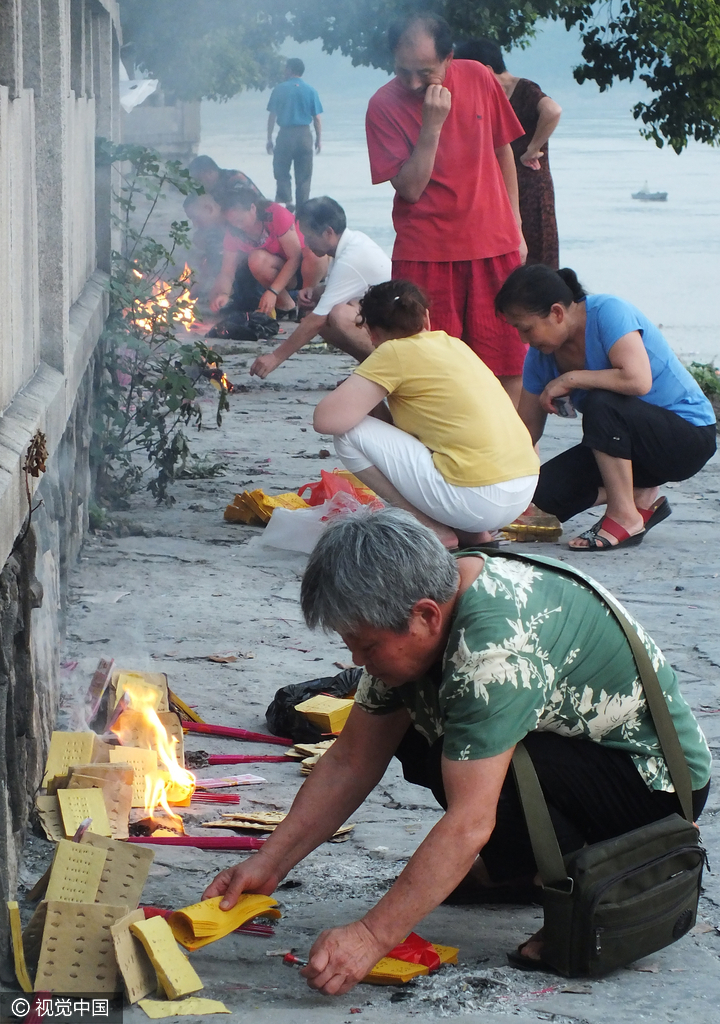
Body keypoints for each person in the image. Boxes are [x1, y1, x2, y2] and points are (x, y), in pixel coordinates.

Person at [203, 507, 711, 990]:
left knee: (464, 750)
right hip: (572, 756)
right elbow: (351, 761)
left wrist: (371, 937)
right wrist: (269, 863)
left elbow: (471, 819)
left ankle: (581, 882)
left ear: (424, 616)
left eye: (368, 645)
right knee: (426, 735)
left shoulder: (492, 650)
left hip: (654, 788)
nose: (356, 659)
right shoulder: (434, 595)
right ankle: (518, 870)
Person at [365, 13, 528, 405]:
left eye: (425, 72)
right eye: (403, 72)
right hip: (425, 254)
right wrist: (431, 126)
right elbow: (410, 188)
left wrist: (516, 227)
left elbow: (502, 148)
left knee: (506, 363)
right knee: (424, 366)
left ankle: (512, 456)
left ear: (449, 57)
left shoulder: (478, 77)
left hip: (493, 244)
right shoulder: (382, 106)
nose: (414, 83)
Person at [495, 264, 717, 550]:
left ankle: (625, 516)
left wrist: (572, 379)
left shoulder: (608, 312)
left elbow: (638, 380)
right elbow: (525, 434)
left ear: (557, 313)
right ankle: (638, 494)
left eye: (526, 329)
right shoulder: (541, 358)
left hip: (686, 438)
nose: (524, 340)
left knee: (603, 402)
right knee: (538, 498)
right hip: (629, 450)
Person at [312, 280, 539, 548]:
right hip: (522, 489)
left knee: (348, 434)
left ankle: (430, 527)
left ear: (372, 333)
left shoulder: (392, 351)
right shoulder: (453, 344)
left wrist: (357, 395)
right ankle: (472, 534)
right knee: (443, 445)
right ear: (426, 318)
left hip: (476, 498)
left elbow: (326, 421)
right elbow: (413, 438)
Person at [250, 196, 391, 379]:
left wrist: (275, 357)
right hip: (380, 314)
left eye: (309, 237)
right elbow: (350, 287)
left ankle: (385, 369)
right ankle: (371, 367)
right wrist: (317, 292)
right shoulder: (350, 242)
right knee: (323, 315)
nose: (306, 244)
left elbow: (317, 320)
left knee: (337, 315)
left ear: (328, 232)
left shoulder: (350, 257)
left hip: (392, 324)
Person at [454, 39, 561, 268]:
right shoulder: (487, 96)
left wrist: (534, 148)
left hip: (531, 187)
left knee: (536, 257)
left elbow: (553, 110)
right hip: (500, 189)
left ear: (487, 70)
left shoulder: (524, 89)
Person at [208, 188, 327, 316]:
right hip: (283, 273)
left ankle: (306, 305)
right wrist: (224, 294)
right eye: (232, 223)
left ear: (252, 208)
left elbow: (295, 257)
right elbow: (227, 271)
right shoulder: (233, 232)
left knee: (314, 254)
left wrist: (272, 291)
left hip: (308, 267)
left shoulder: (275, 214)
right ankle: (287, 306)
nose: (238, 226)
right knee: (256, 259)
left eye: (240, 220)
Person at [266, 58, 323, 212]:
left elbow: (272, 116)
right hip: (304, 135)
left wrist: (269, 138)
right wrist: (318, 139)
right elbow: (316, 118)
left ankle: (287, 201)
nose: (284, 71)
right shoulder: (311, 90)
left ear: (290, 70)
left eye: (286, 68)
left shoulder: (279, 89)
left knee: (281, 170)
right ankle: (302, 211)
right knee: (304, 177)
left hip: (285, 135)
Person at [182, 193, 225, 303]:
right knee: (199, 238)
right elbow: (212, 259)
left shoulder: (234, 222)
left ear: (208, 209)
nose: (195, 224)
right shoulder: (212, 232)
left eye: (196, 218)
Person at [187, 155, 261, 201]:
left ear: (209, 173)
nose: (197, 184)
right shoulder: (213, 185)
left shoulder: (236, 180)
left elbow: (239, 211)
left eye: (199, 180)